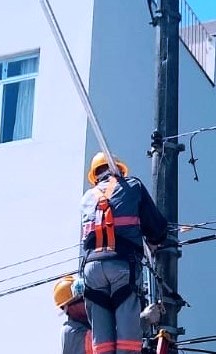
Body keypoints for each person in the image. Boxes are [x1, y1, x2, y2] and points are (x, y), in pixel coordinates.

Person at [79, 152, 168, 354]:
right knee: (127, 342)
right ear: (118, 169)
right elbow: (157, 229)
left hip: (92, 270)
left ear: (95, 176)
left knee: (102, 344)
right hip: (121, 265)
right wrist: (156, 242)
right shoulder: (132, 186)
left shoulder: (86, 198)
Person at [55, 275, 93, 354]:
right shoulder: (71, 331)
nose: (87, 302)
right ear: (69, 308)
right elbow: (100, 341)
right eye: (82, 300)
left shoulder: (88, 323)